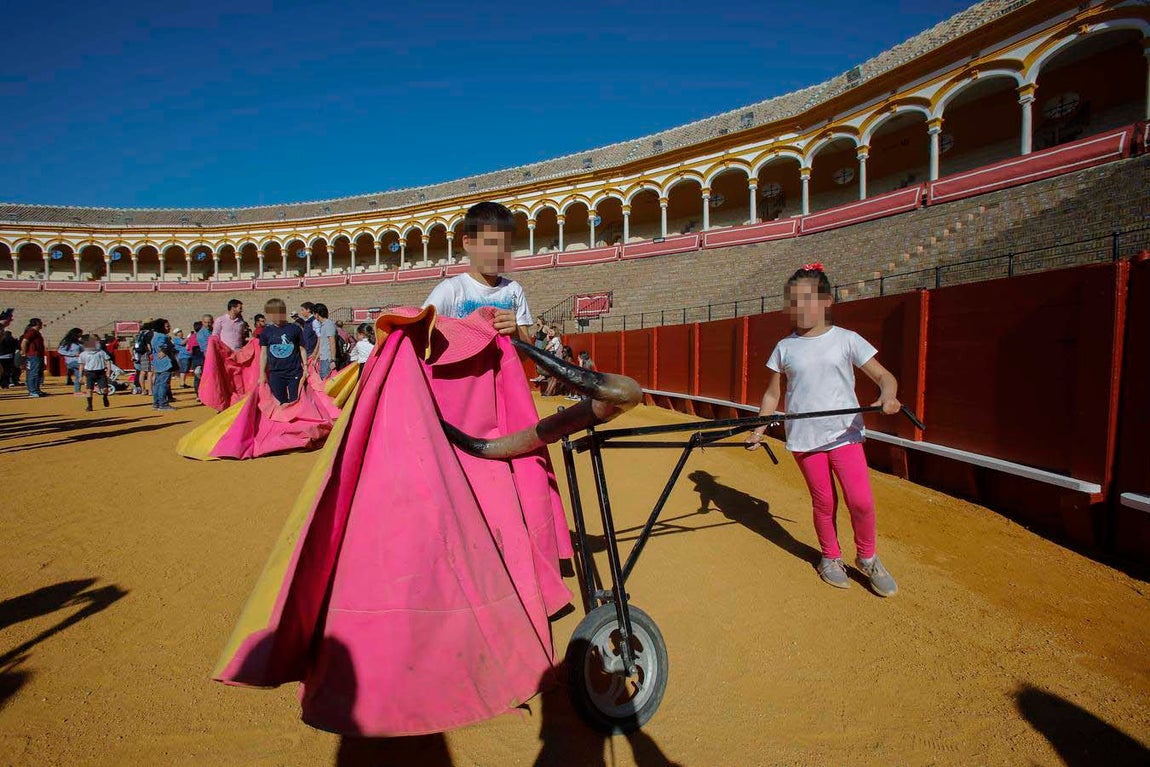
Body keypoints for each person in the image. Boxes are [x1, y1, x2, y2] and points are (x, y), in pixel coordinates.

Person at [745, 263, 900, 597]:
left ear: (827, 301)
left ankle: (867, 556)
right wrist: (759, 430)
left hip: (844, 434)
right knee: (824, 502)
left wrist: (888, 396)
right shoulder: (784, 347)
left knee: (861, 500)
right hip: (805, 438)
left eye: (809, 299)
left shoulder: (846, 339)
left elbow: (884, 377)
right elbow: (772, 394)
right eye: (795, 301)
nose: (801, 308)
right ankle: (830, 557)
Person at [422, 201, 534, 343]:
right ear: (468, 243)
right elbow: (421, 334)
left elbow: (527, 355)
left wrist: (516, 333)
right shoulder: (451, 290)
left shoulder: (514, 290)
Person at [257, 299, 307, 405]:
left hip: (294, 372)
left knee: (296, 401)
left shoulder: (294, 329)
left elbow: (302, 349)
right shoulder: (266, 331)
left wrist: (306, 367)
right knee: (279, 402)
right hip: (275, 373)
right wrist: (262, 374)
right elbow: (264, 354)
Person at [78, 334, 112, 412]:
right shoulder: (83, 354)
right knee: (89, 389)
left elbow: (107, 361)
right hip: (89, 372)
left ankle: (105, 397)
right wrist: (80, 376)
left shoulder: (101, 352)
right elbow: (81, 365)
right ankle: (90, 405)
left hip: (100, 372)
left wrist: (108, 370)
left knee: (105, 389)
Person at [150, 318, 177, 411]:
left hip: (157, 362)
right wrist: (164, 350)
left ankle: (156, 403)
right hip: (165, 363)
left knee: (157, 383)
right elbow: (162, 346)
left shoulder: (155, 336)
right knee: (163, 384)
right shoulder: (162, 336)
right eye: (167, 326)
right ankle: (163, 404)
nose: (169, 327)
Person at [310, 303, 338, 379]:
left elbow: (332, 342)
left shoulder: (329, 324)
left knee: (327, 381)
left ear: (317, 314)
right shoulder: (323, 325)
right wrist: (316, 358)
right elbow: (323, 345)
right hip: (323, 358)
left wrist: (333, 360)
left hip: (328, 359)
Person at [20, 318, 46, 397]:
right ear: (37, 323)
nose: (42, 324)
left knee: (38, 373)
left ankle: (36, 390)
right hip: (33, 355)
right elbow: (24, 341)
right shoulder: (31, 332)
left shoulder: (35, 332)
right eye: (41, 322)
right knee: (33, 373)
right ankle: (32, 391)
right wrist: (24, 352)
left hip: (38, 355)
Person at [58, 327, 84, 394]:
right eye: (79, 334)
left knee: (78, 375)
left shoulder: (79, 342)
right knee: (88, 368)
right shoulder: (67, 341)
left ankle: (77, 391)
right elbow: (60, 351)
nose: (80, 335)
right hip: (71, 361)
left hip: (79, 360)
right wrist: (73, 354)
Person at [193, 315, 213, 398]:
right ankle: (200, 395)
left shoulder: (212, 331)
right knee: (201, 376)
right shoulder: (201, 334)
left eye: (209, 322)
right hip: (204, 357)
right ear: (202, 322)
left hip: (209, 356)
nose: (208, 324)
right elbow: (205, 348)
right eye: (205, 322)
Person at [133, 322, 154, 396]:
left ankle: (143, 390)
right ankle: (151, 391)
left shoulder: (141, 334)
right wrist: (151, 353)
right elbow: (149, 344)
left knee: (142, 372)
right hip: (148, 353)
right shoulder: (150, 333)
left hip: (141, 353)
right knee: (150, 372)